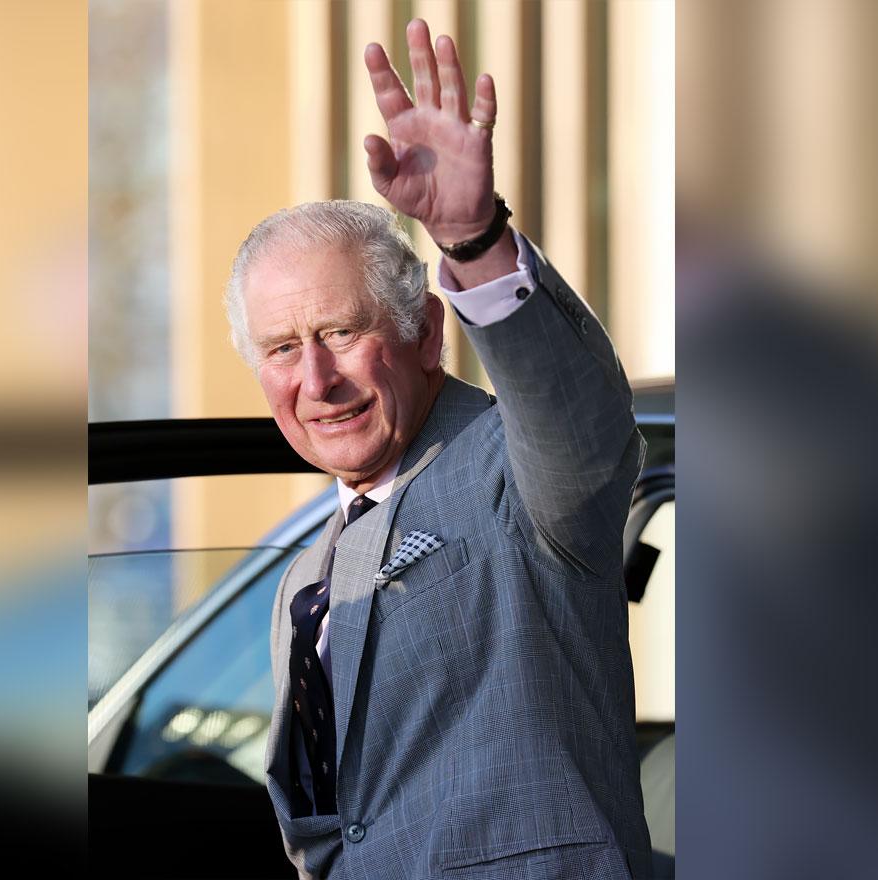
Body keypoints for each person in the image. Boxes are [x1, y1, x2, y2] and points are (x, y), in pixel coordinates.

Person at [224, 20, 651, 879]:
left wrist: (474, 241)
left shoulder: (515, 473)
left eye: (342, 332)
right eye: (280, 349)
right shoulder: (304, 581)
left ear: (427, 336)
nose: (316, 379)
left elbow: (579, 425)